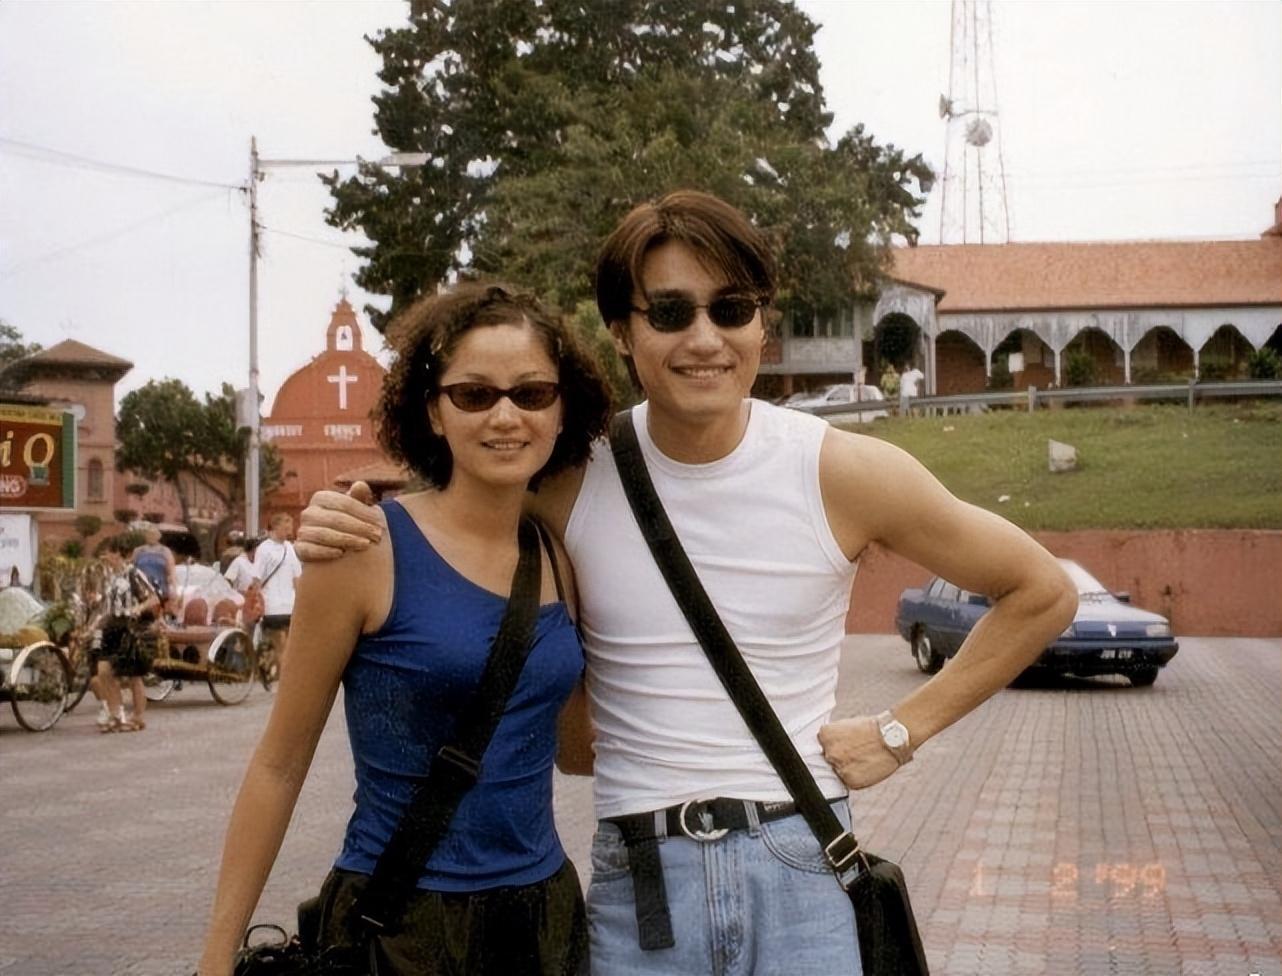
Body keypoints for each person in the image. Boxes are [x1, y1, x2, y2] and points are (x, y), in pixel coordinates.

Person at [298, 190, 1077, 975]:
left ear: (762, 323)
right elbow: (446, 512)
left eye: (731, 309)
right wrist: (343, 515)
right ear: (622, 330)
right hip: (643, 883)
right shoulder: (569, 479)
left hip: (804, 862)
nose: (705, 338)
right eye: (670, 312)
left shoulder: (840, 471)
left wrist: (901, 732)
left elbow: (1041, 591)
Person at [198, 282, 610, 976]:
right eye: (474, 395)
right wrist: (215, 957)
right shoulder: (363, 549)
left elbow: (575, 751)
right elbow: (279, 763)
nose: (505, 415)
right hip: (400, 926)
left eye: (532, 393)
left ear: (561, 407)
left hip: (542, 919)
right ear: (433, 412)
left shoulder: (557, 556)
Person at [90, 535, 161, 733]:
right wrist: (95, 623)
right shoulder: (110, 577)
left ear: (120, 555)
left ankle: (138, 717)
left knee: (133, 675)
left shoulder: (133, 574)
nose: (107, 557)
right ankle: (116, 715)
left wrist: (137, 609)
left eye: (110, 553)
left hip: (128, 627)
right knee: (104, 672)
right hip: (110, 627)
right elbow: (106, 605)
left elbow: (153, 598)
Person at [250, 514, 302, 679]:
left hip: (289, 605)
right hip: (272, 606)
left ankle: (283, 678)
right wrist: (258, 601)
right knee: (282, 646)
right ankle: (285, 679)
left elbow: (297, 579)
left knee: (286, 647)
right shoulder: (264, 549)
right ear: (275, 527)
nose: (288, 531)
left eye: (290, 528)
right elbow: (257, 579)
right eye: (286, 528)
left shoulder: (290, 548)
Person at [133, 523, 178, 619]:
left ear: (158, 536)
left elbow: (171, 571)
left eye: (153, 534)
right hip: (142, 587)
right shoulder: (138, 551)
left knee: (157, 610)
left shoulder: (165, 551)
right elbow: (132, 569)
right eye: (149, 534)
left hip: (159, 586)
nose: (151, 536)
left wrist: (173, 589)